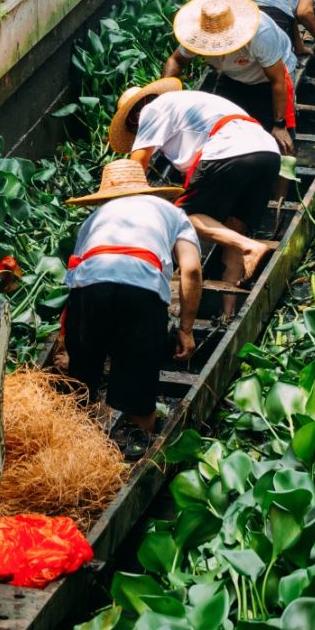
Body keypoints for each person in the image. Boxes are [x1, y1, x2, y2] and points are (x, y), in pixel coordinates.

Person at [64, 159, 202, 446]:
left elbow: (74, 275)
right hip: (143, 288)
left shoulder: (95, 218)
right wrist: (186, 330)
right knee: (140, 387)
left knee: (82, 380)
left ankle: (76, 445)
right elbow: (191, 270)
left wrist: (69, 342)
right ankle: (136, 445)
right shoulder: (173, 213)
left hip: (90, 286)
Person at [113, 78, 278, 294]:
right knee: (234, 228)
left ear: (135, 117)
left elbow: (137, 165)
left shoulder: (151, 110)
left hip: (229, 150)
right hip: (268, 152)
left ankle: (250, 246)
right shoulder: (185, 106)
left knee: (183, 218)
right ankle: (229, 307)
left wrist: (125, 209)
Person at [163, 0, 296, 155]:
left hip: (270, 77)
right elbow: (176, 61)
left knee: (276, 140)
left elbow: (278, 81)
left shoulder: (260, 33)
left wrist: (279, 125)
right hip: (232, 75)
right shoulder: (196, 36)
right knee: (223, 129)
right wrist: (164, 96)